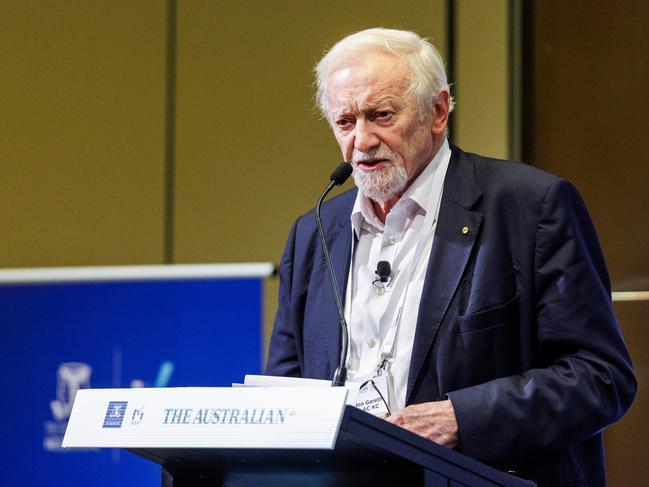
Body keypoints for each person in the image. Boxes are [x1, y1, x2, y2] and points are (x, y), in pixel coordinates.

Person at [266, 28, 636, 486]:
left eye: (381, 115)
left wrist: (462, 418)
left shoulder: (529, 207)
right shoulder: (315, 232)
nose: (361, 141)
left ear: (438, 111)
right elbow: (290, 393)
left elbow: (600, 378)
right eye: (345, 122)